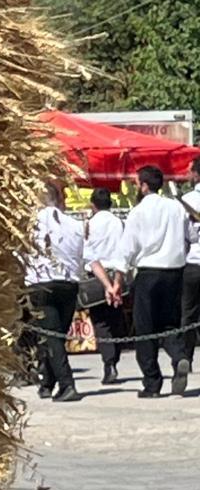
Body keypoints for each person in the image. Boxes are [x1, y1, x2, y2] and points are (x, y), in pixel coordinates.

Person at [115, 165, 190, 398]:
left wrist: (117, 281)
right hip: (175, 271)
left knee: (145, 329)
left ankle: (152, 383)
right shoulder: (177, 208)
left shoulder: (138, 212)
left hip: (148, 273)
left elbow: (127, 249)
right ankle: (179, 357)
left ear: (144, 185)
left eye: (138, 183)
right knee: (170, 323)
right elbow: (192, 236)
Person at [23, 178, 86, 401]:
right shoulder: (75, 224)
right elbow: (80, 255)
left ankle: (67, 384)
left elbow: (19, 253)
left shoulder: (30, 223)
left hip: (41, 282)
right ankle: (48, 382)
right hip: (69, 283)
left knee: (51, 337)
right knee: (57, 335)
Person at [83, 187, 127, 385]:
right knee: (116, 318)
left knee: (100, 321)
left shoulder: (89, 224)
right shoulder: (119, 223)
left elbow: (86, 252)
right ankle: (114, 358)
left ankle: (109, 362)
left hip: (95, 275)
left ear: (93, 205)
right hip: (116, 273)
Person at [182, 157, 200, 374]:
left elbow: (185, 236)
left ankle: (185, 356)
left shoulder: (187, 200)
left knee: (188, 313)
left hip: (193, 261)